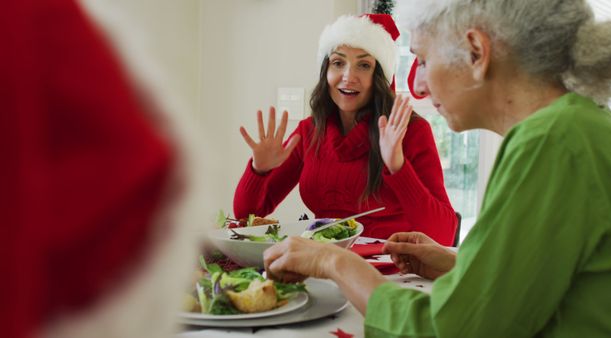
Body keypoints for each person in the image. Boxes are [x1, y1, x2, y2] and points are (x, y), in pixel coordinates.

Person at [263, 0, 611, 337]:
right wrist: (457, 263)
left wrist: (333, 260)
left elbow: (451, 330)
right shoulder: (586, 126)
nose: (421, 85)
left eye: (423, 60)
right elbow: (549, 284)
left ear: (476, 52)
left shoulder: (551, 142)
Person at [2, 1, 210, 338]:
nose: (332, 74)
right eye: (331, 62)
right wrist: (260, 170)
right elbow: (250, 208)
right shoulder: (307, 133)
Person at [234, 13, 458, 243]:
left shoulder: (411, 131)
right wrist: (259, 170)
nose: (348, 77)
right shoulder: (308, 132)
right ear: (326, 72)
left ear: (379, 77)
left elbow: (444, 234)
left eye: (363, 65)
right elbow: (245, 216)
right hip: (322, 264)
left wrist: (398, 167)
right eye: (338, 63)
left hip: (392, 270)